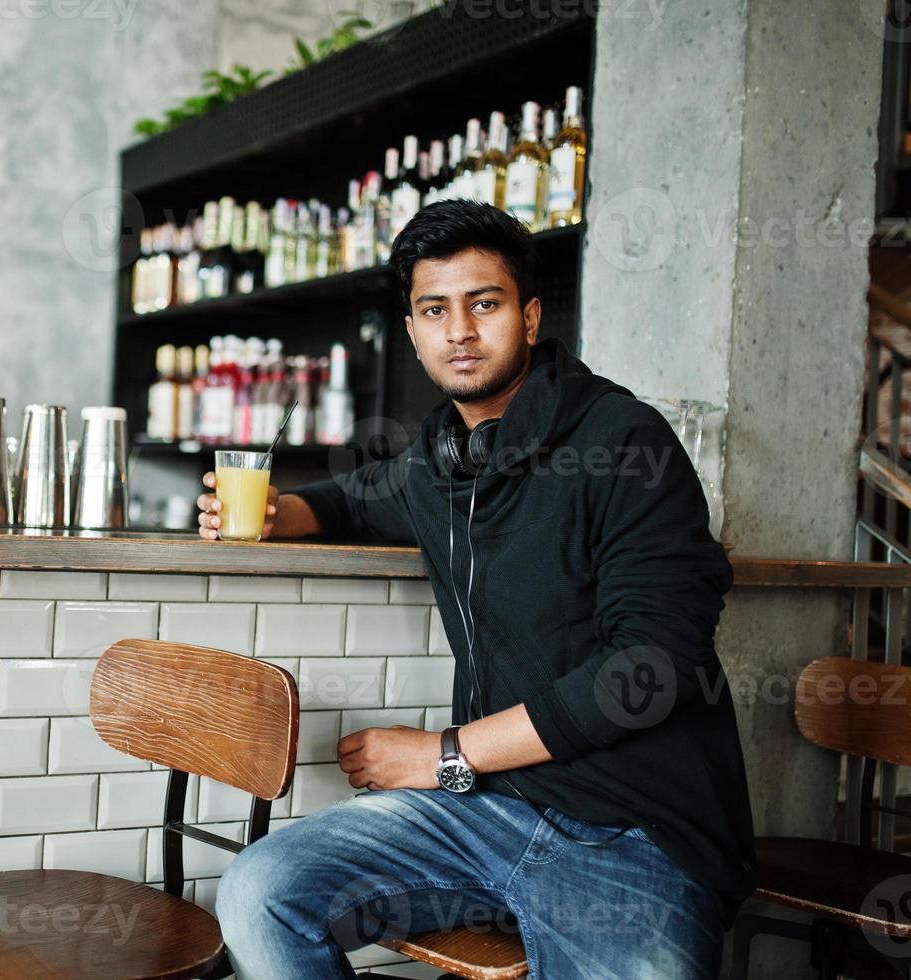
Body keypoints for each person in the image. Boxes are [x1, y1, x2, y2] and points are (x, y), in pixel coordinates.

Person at [195, 199, 754, 979]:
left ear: (527, 317)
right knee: (260, 889)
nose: (459, 330)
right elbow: (356, 496)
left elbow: (651, 669)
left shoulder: (622, 441)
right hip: (488, 811)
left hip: (632, 833)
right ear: (413, 330)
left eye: (482, 304)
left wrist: (444, 755)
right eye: (435, 310)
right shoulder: (441, 456)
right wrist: (271, 511)